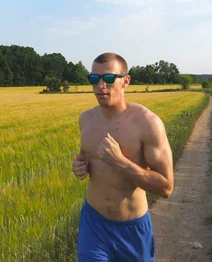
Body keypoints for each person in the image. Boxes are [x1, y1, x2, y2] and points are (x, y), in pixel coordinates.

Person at [72, 52, 174, 262]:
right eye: (94, 79)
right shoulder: (86, 120)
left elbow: (166, 187)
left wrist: (121, 162)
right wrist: (80, 166)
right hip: (94, 225)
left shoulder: (147, 123)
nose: (101, 85)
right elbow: (86, 158)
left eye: (109, 78)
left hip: (132, 229)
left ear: (125, 81)